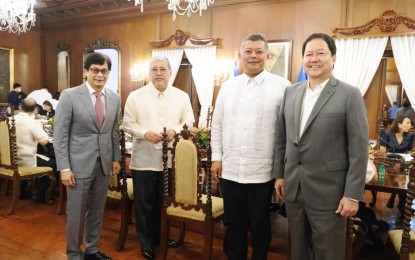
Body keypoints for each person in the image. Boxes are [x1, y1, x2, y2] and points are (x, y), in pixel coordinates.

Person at [274, 33, 368, 260]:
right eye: (308, 54)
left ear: (333, 58)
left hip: (330, 193)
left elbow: (359, 148)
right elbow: (281, 139)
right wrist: (279, 175)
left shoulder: (349, 94)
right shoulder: (290, 92)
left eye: (320, 53)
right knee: (298, 251)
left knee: (328, 253)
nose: (314, 59)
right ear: (303, 59)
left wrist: (353, 194)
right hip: (294, 189)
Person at [211, 33, 291, 260]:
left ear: (267, 55)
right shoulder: (227, 87)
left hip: (263, 173)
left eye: (258, 52)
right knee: (233, 224)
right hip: (231, 169)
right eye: (248, 51)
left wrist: (280, 172)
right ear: (240, 56)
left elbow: (286, 133)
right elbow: (217, 124)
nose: (253, 56)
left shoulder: (283, 86)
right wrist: (217, 158)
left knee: (260, 224)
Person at [122, 56, 194, 260]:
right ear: (149, 73)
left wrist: (175, 130)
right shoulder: (136, 96)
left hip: (170, 161)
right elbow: (127, 123)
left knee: (164, 203)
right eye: (154, 69)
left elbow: (189, 120)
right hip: (143, 160)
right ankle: (145, 242)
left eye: (163, 69)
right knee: (144, 204)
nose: (159, 73)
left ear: (170, 73)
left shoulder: (181, 96)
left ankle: (159, 237)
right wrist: (144, 133)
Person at [53, 52, 121, 260]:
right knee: (76, 212)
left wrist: (116, 158)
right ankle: (74, 252)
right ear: (86, 72)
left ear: (108, 73)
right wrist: (64, 167)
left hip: (103, 164)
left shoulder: (115, 97)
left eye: (104, 71)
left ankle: (92, 249)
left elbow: (114, 132)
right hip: (77, 165)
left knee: (98, 210)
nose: (100, 75)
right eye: (95, 70)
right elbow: (60, 134)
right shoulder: (70, 95)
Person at [15, 98, 58, 202]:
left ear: (20, 107)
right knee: (53, 163)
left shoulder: (9, 119)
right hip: (26, 159)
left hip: (11, 160)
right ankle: (41, 195)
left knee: (43, 158)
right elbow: (44, 141)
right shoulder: (32, 122)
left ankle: (24, 191)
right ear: (34, 109)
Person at [379, 114, 414, 212]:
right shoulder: (387, 134)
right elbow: (382, 153)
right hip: (389, 164)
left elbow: (409, 152)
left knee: (403, 176)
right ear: (399, 124)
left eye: (410, 123)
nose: (410, 125)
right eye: (407, 123)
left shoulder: (410, 137)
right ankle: (403, 206)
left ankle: (397, 198)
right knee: (400, 178)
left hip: (403, 164)